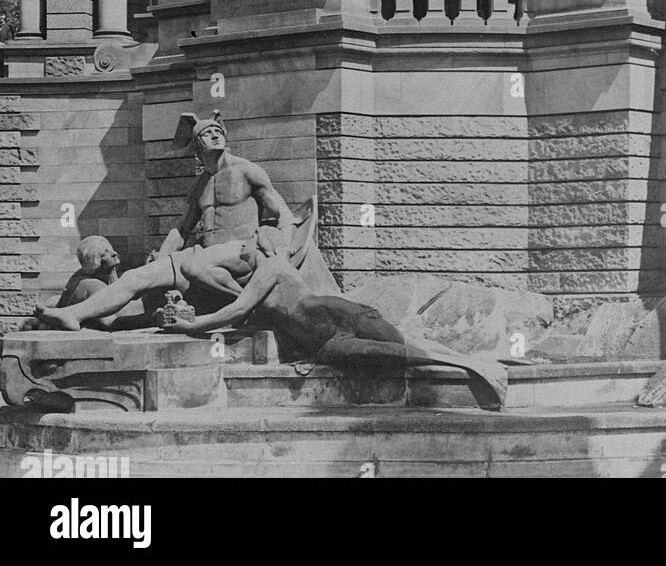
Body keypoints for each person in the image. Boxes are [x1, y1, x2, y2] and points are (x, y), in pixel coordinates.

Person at [164, 229, 509, 410]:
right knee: (394, 352)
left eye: (245, 249)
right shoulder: (257, 282)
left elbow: (236, 310)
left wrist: (190, 326)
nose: (241, 255)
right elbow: (218, 284)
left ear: (262, 248)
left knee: (400, 343)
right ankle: (473, 366)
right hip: (327, 343)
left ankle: (475, 365)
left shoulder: (272, 267)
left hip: (338, 313)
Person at [36, 115, 294, 330]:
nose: (216, 135)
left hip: (241, 250)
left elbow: (284, 214)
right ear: (197, 146)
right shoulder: (200, 185)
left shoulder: (247, 170)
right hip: (204, 254)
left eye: (218, 131)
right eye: (208, 133)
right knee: (136, 276)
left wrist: (282, 252)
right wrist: (163, 257)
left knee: (193, 264)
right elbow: (181, 230)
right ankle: (74, 314)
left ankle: (246, 304)